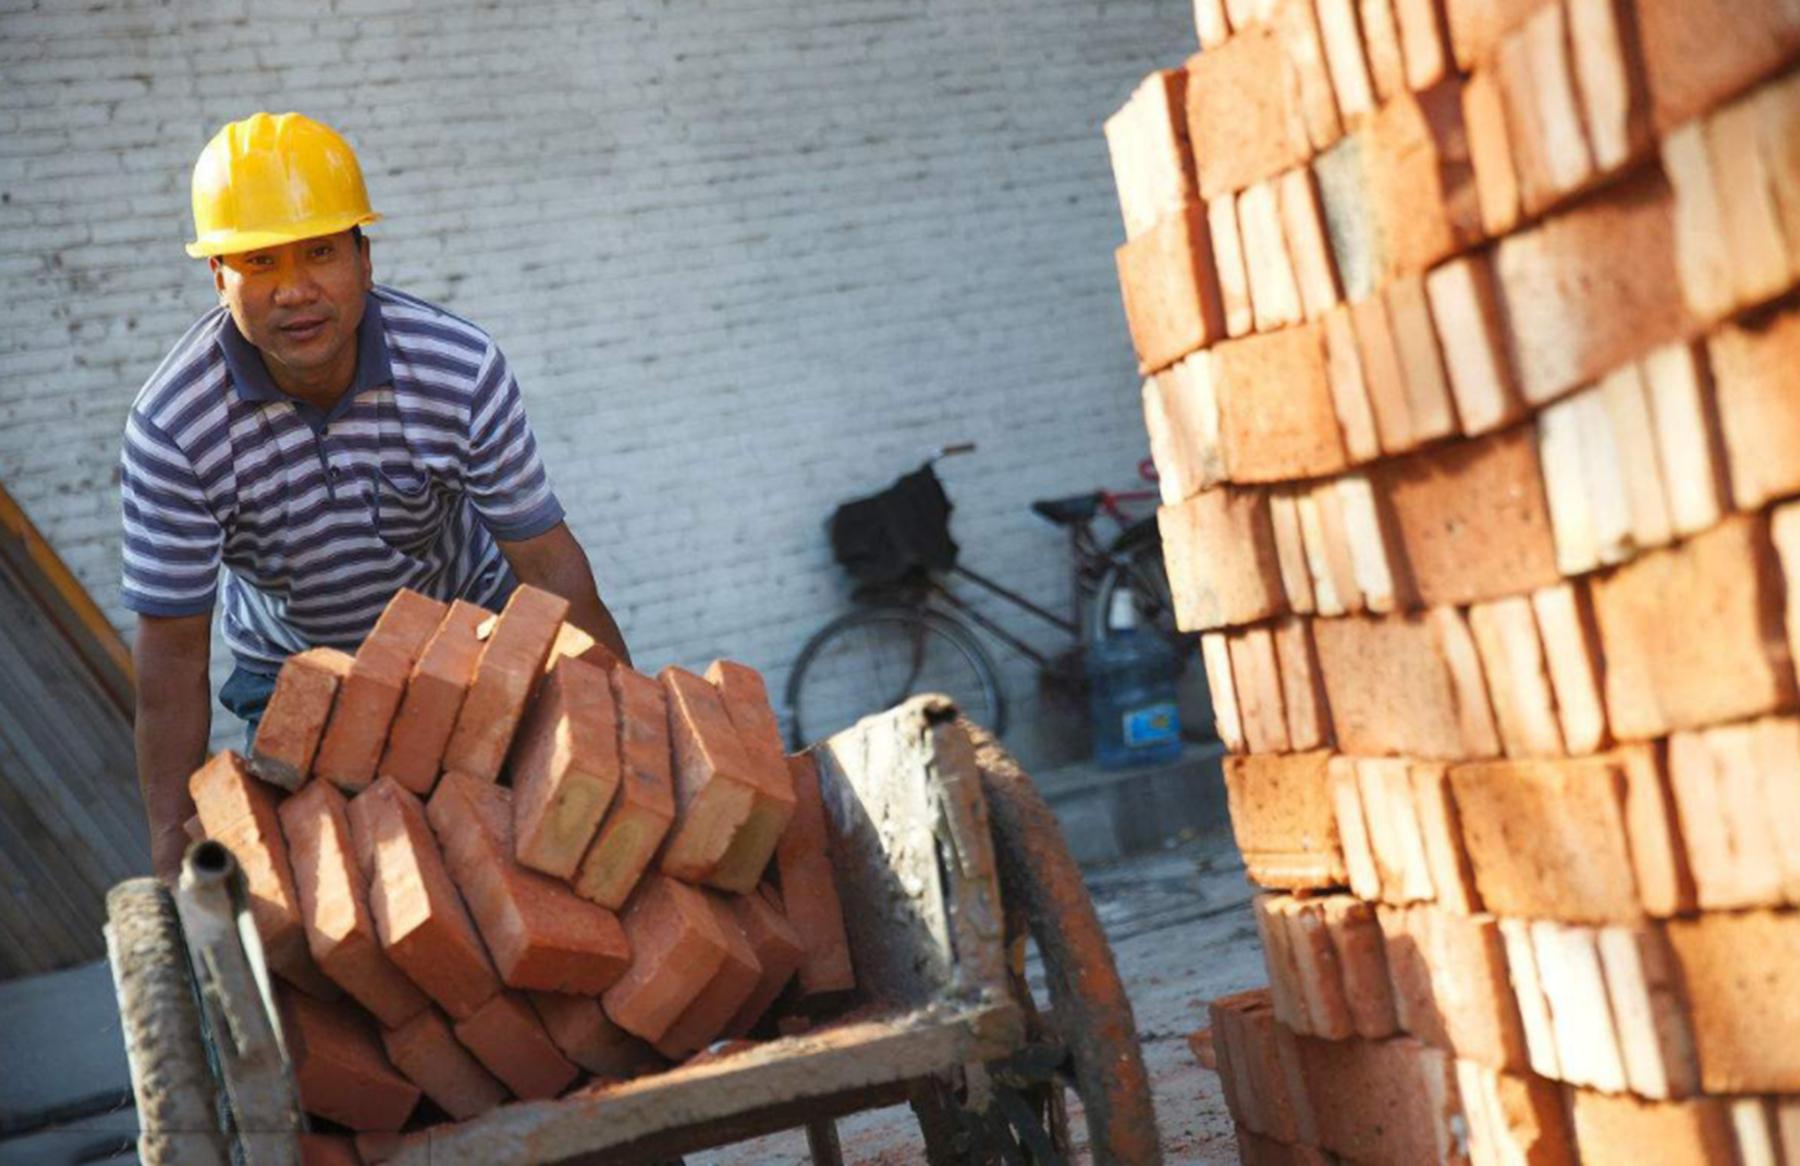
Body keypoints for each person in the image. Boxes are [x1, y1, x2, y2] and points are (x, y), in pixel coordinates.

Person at [120, 112, 629, 880]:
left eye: (321, 251)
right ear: (218, 276)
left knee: (522, 863)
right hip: (296, 671)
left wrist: (630, 722)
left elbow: (549, 565)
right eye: (259, 262)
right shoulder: (174, 427)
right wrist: (169, 841)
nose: (295, 290)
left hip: (466, 643)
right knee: (348, 898)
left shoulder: (458, 370)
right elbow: (173, 653)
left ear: (364, 255)